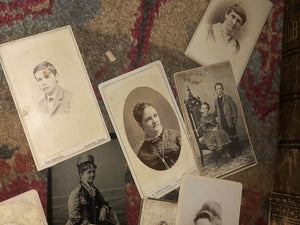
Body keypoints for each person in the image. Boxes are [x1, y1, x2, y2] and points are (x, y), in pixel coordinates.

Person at [66, 155, 119, 225]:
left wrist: (103, 209)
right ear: (81, 174)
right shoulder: (76, 193)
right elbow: (74, 217)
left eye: (94, 172)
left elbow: (103, 202)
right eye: (89, 172)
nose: (92, 174)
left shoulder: (94, 190)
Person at [133, 102, 181, 171]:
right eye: (148, 119)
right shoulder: (142, 155)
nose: (154, 121)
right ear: (140, 125)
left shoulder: (176, 136)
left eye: (155, 116)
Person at [214, 82, 241, 157]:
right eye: (217, 89)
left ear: (222, 89)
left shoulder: (228, 97)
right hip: (222, 122)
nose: (219, 90)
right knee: (227, 138)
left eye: (220, 88)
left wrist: (234, 120)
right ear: (215, 90)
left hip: (229, 120)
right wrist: (209, 116)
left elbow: (234, 108)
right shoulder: (216, 100)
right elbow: (216, 112)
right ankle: (232, 153)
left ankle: (238, 151)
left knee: (234, 136)